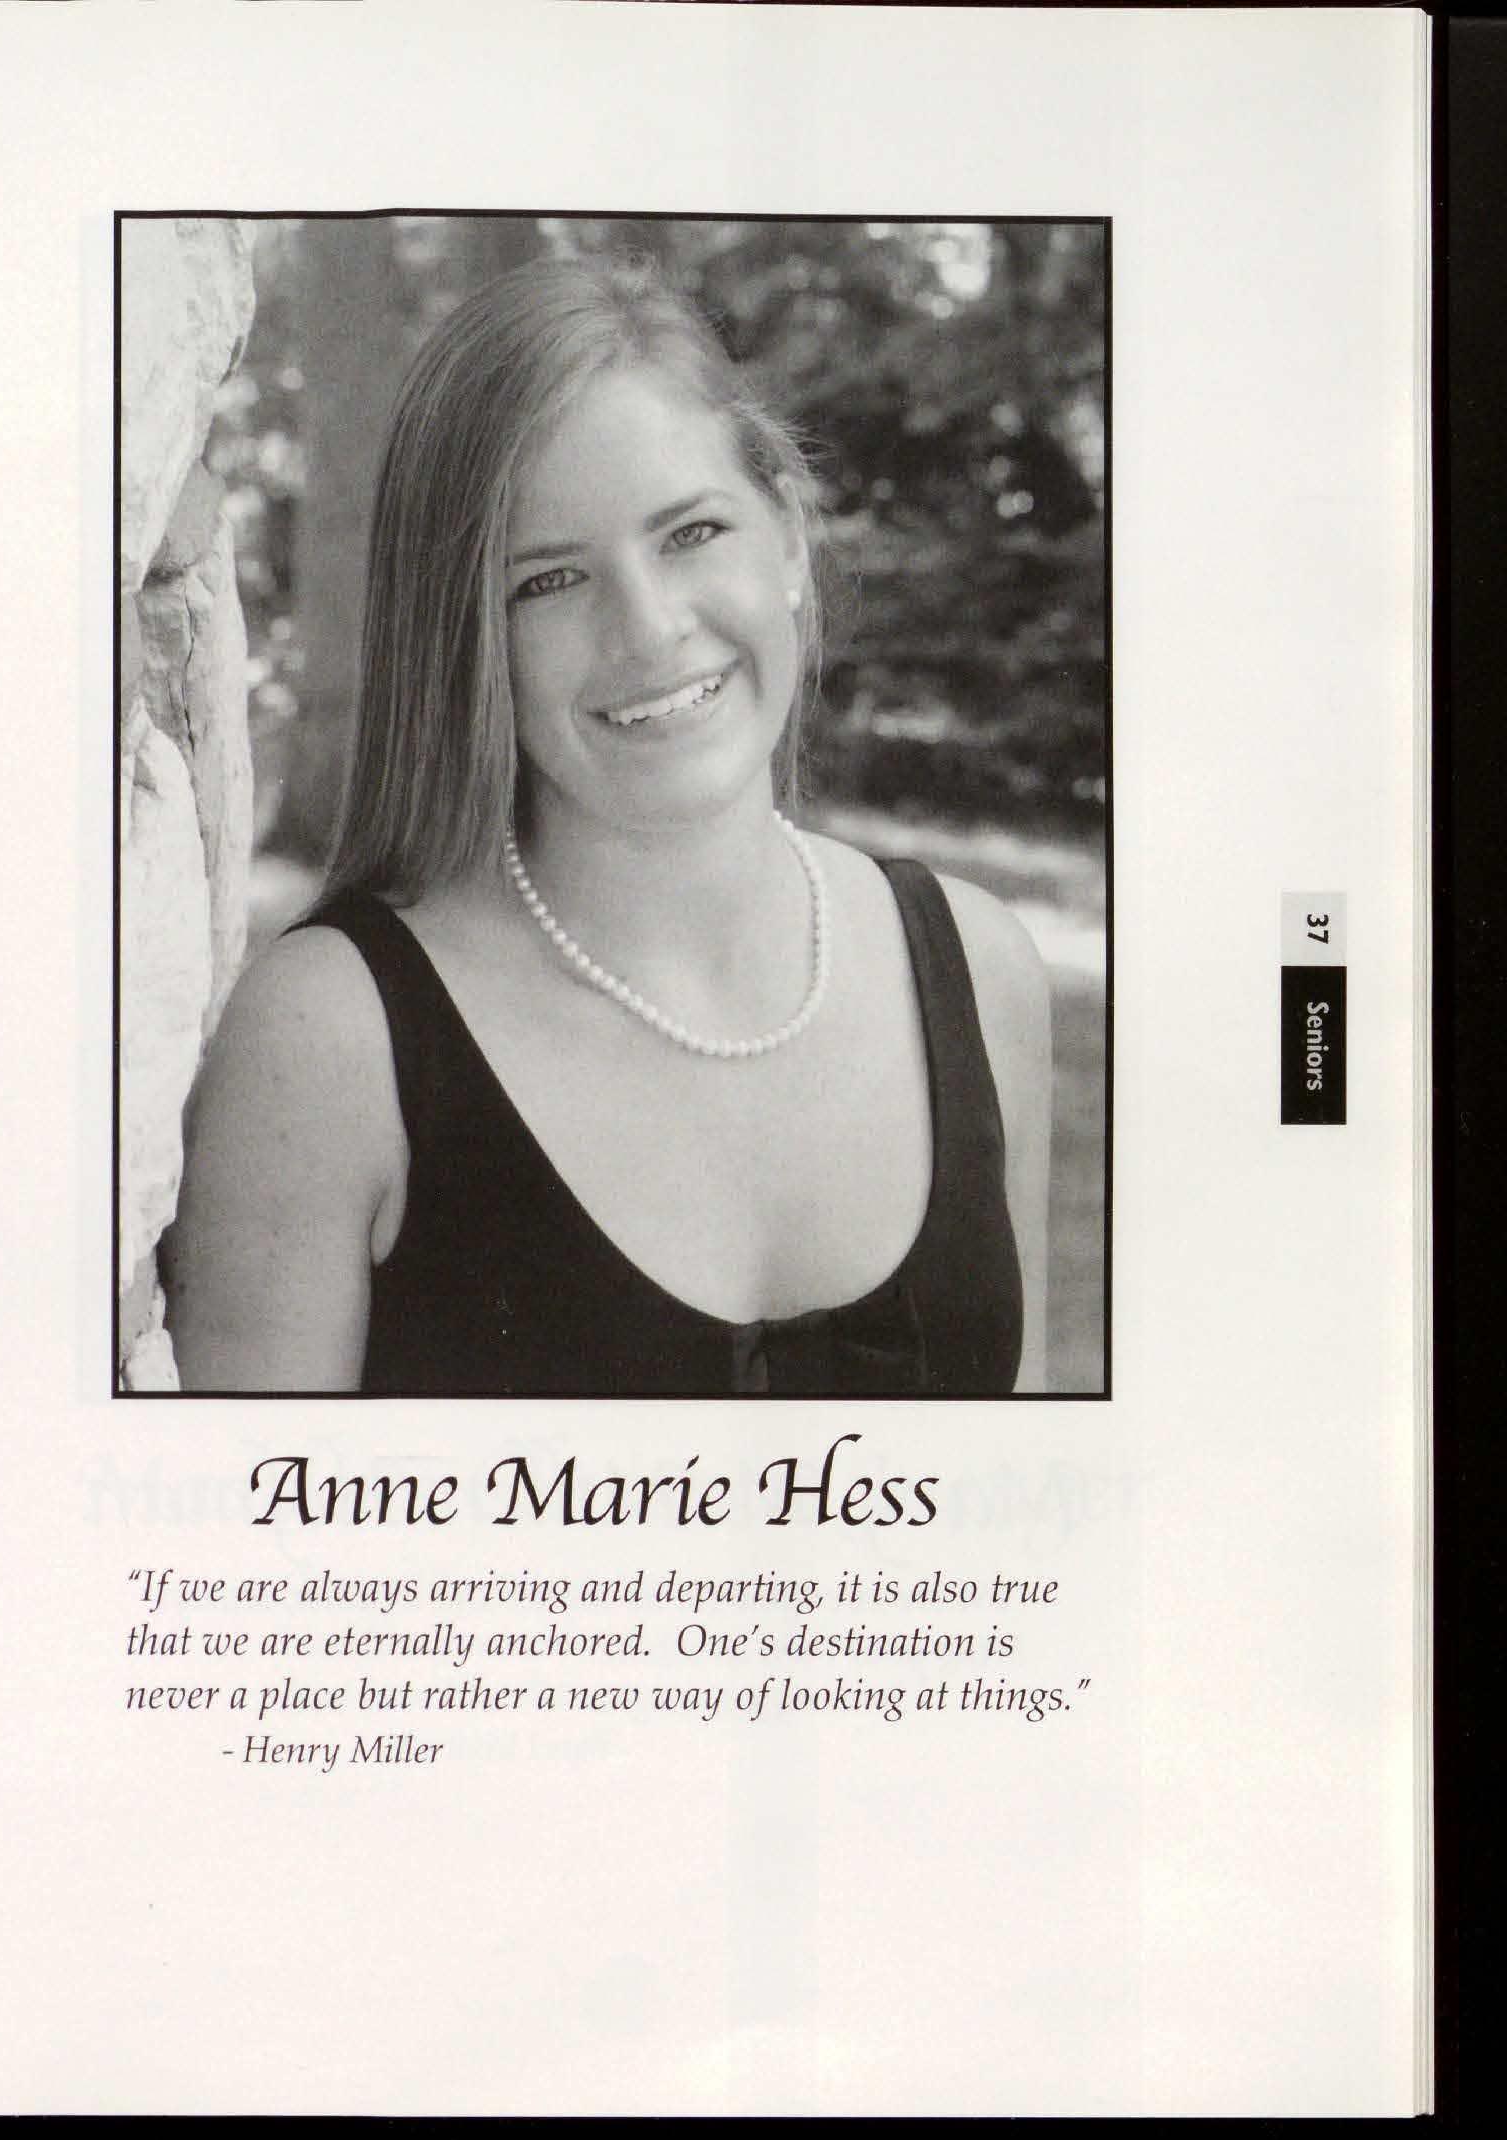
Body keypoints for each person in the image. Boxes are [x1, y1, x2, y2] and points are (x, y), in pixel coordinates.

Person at [163, 254, 1050, 1397]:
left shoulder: (979, 971)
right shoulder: (328, 1042)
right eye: (549, 580)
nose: (648, 629)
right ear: (465, 636)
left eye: (691, 533)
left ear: (787, 537)